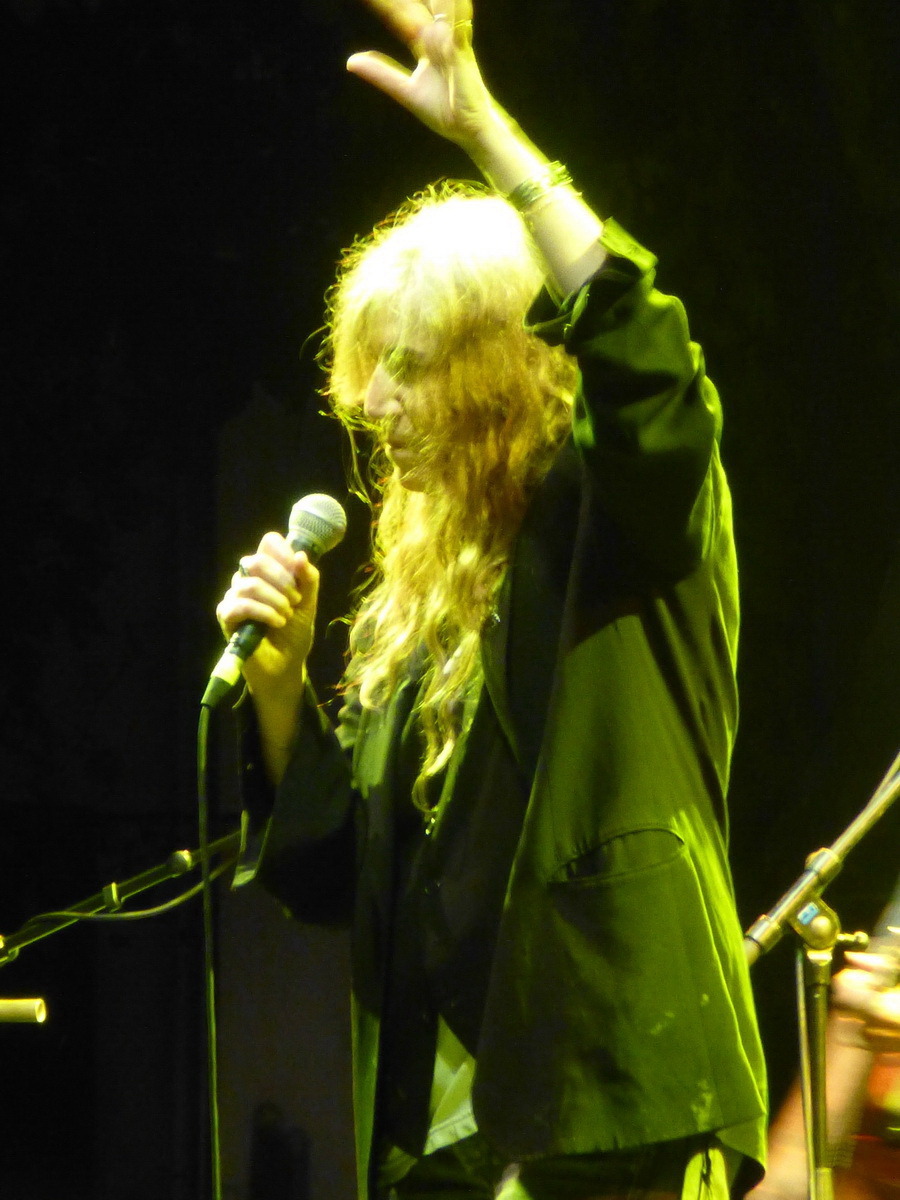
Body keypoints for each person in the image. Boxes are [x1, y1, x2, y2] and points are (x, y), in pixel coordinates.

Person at [216, 2, 768, 1197]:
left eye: (409, 371)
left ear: (499, 371)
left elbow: (647, 360)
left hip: (611, 1101)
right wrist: (281, 690)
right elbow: (337, 881)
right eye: (371, 377)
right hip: (445, 1136)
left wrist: (488, 136)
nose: (377, 407)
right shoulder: (425, 602)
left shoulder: (617, 517)